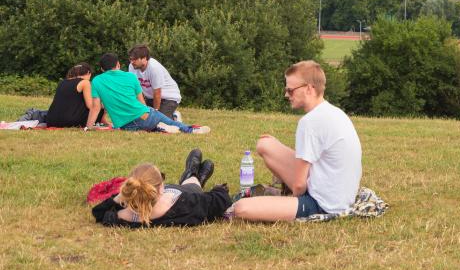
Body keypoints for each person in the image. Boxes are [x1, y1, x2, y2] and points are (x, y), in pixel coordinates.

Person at [231, 60, 362, 222]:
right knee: (265, 143)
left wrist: (290, 202)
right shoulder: (333, 112)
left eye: (290, 90)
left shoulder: (310, 122)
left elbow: (299, 185)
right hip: (338, 192)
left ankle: (279, 198)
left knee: (241, 208)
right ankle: (279, 196)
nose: (286, 95)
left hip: (324, 204)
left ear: (309, 89)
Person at [92, 148, 228, 227]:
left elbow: (98, 212)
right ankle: (193, 175)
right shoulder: (188, 204)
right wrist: (219, 189)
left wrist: (122, 196)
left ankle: (192, 172)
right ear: (161, 187)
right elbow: (221, 200)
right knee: (192, 183)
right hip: (186, 191)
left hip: (150, 195)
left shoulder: (121, 217)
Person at [86, 53, 209, 134]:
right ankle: (191, 130)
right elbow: (141, 101)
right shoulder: (130, 77)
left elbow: (95, 107)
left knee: (152, 128)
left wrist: (89, 126)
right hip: (144, 115)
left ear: (102, 69)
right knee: (170, 123)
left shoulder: (96, 81)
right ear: (118, 64)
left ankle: (161, 127)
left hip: (126, 126)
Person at [128, 44, 182, 119]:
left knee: (157, 123)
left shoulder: (154, 68)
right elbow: (134, 89)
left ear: (144, 58)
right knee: (137, 118)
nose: (132, 62)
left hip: (169, 98)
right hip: (151, 98)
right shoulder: (132, 66)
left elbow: (157, 93)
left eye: (135, 59)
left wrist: (155, 112)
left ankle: (174, 117)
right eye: (130, 59)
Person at [46, 63, 99, 128]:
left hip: (51, 120)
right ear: (88, 72)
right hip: (70, 121)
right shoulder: (85, 82)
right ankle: (102, 123)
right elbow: (90, 106)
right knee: (99, 106)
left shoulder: (62, 82)